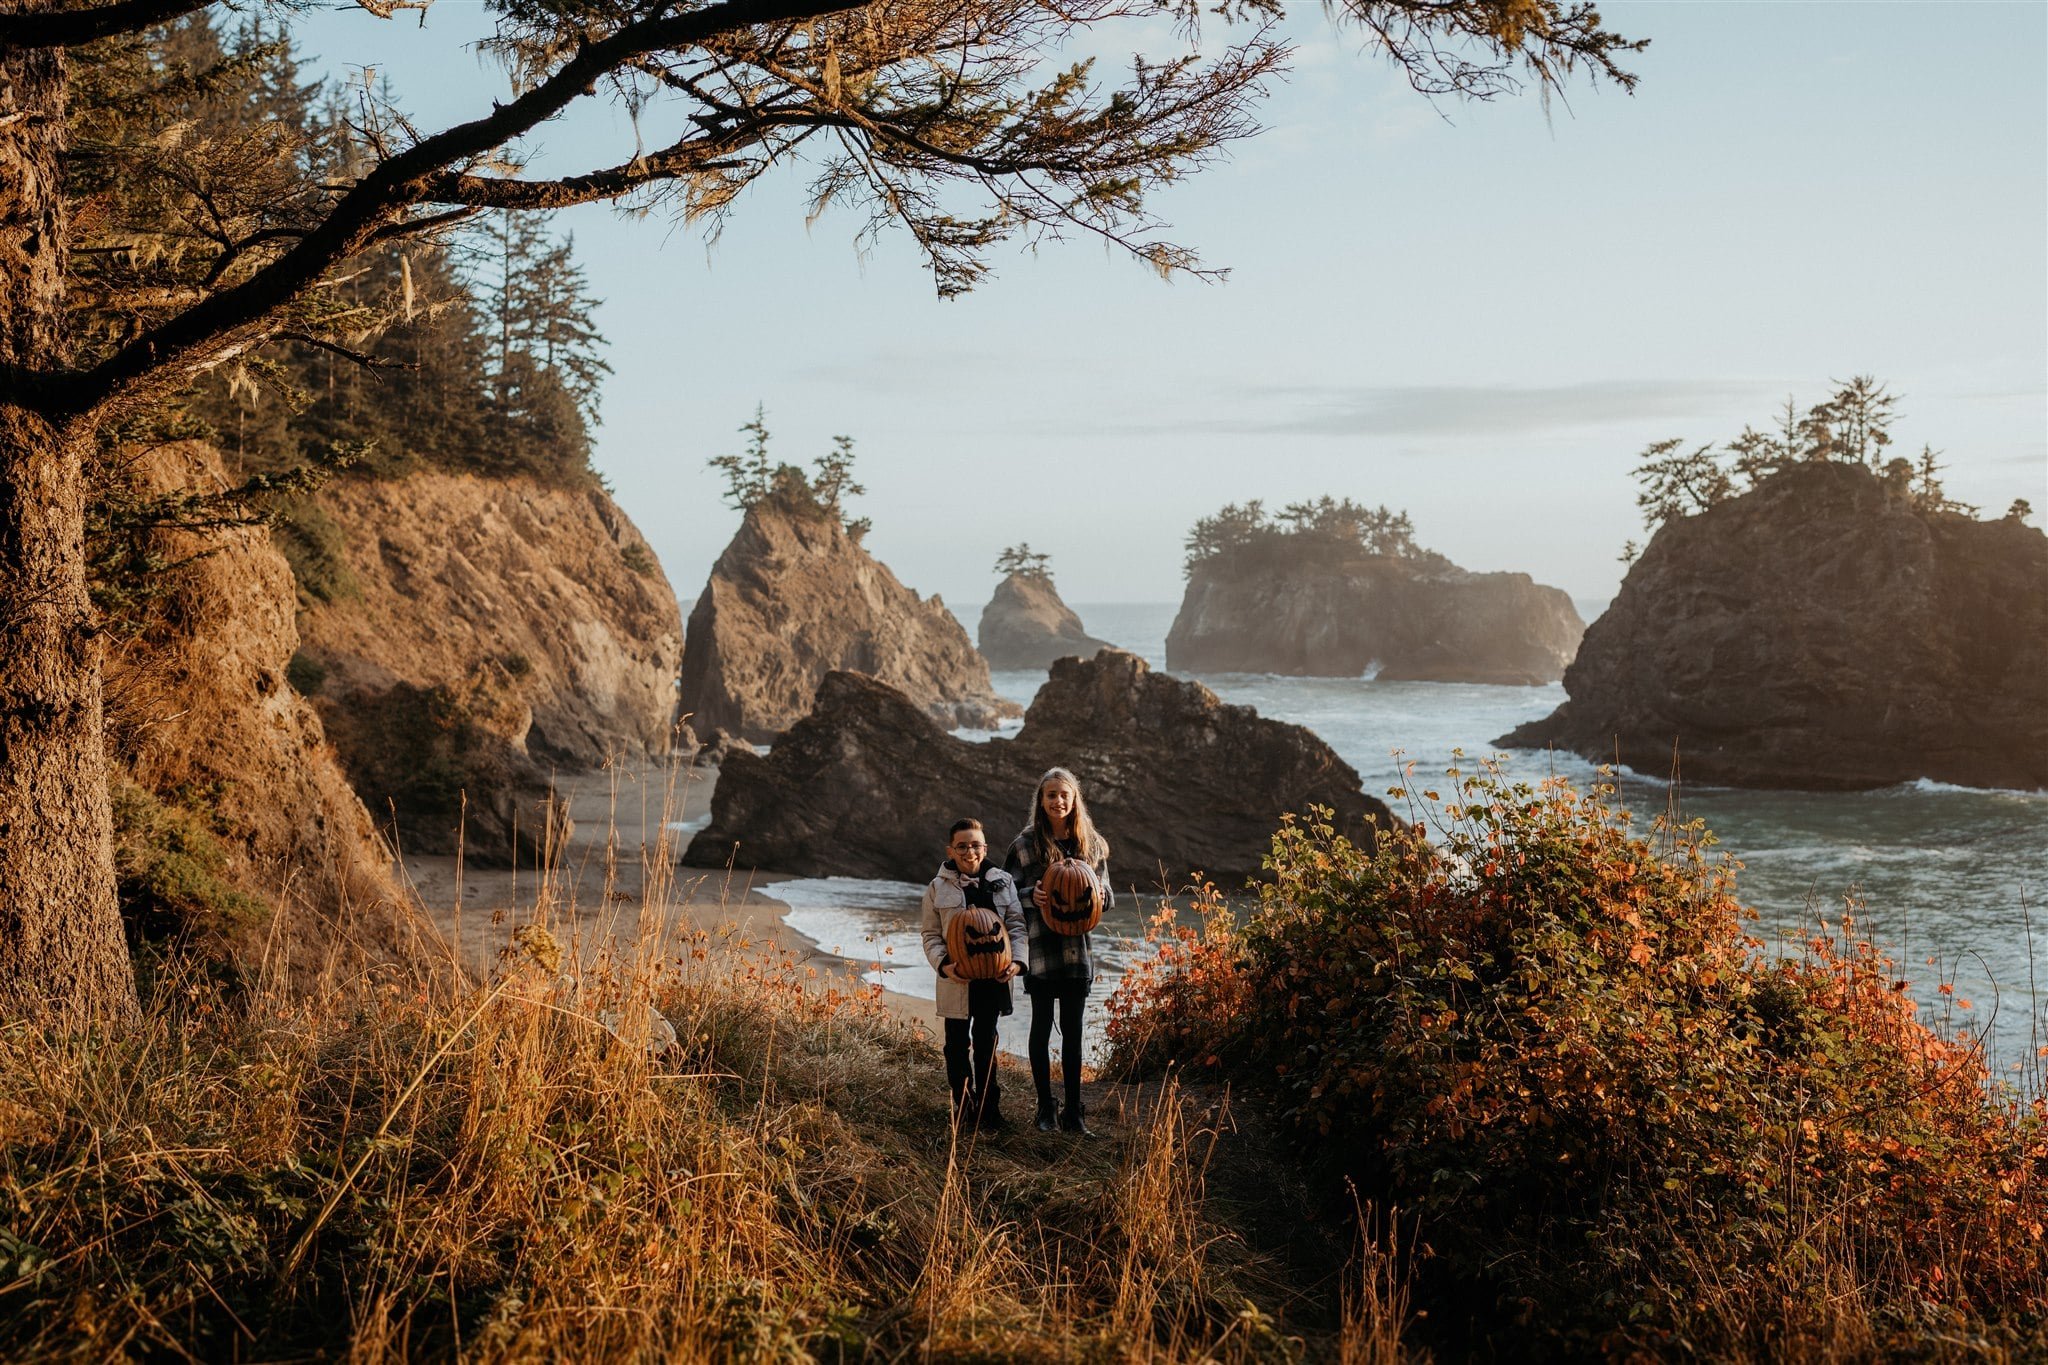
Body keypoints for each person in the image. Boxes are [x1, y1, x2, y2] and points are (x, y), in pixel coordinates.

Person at [1003, 768, 1113, 1136]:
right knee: (1040, 1027)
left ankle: (1074, 1112)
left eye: (1064, 795)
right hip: (1041, 949)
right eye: (1050, 795)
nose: (1058, 801)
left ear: (1074, 799)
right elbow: (1005, 895)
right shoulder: (1024, 845)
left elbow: (1108, 896)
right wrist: (1029, 896)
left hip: (1077, 953)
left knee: (1073, 1030)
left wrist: (1098, 893)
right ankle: (1045, 1108)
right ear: (1041, 800)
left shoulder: (1091, 844)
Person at [918, 818, 1025, 1129]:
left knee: (986, 1042)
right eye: (962, 846)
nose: (969, 851)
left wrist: (1017, 963)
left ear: (985, 848)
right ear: (951, 850)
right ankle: (964, 1104)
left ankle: (989, 1109)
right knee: (955, 1045)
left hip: (994, 978)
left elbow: (1017, 927)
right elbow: (930, 934)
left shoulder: (1004, 882)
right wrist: (944, 965)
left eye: (975, 845)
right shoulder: (937, 888)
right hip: (957, 979)